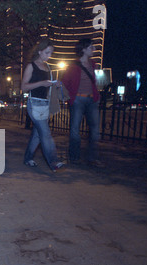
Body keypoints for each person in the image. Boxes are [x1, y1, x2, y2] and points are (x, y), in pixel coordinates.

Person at [21, 38, 65, 172]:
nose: (49, 55)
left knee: (37, 135)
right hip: (34, 103)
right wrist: (42, 83)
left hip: (45, 104)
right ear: (40, 51)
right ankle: (54, 162)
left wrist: (55, 84)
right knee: (45, 133)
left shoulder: (48, 67)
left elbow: (47, 86)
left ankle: (28, 158)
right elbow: (23, 87)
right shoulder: (31, 66)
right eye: (47, 52)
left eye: (51, 53)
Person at [61, 38, 103, 167]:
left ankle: (92, 158)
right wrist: (69, 98)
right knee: (75, 130)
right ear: (83, 49)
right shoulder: (74, 66)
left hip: (92, 100)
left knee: (95, 130)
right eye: (91, 47)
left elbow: (93, 82)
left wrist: (97, 96)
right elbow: (64, 82)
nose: (94, 49)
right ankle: (74, 157)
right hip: (78, 100)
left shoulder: (93, 64)